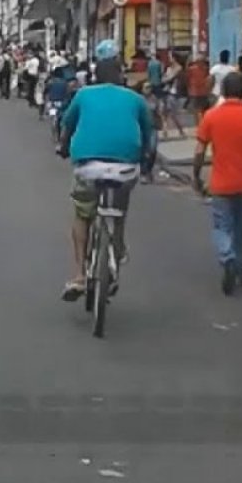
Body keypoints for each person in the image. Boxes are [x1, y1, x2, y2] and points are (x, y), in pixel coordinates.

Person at [58, 51, 155, 301]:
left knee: (82, 214)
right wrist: (146, 161)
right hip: (125, 168)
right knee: (119, 209)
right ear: (121, 76)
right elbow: (149, 134)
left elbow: (67, 125)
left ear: (94, 77)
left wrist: (63, 147)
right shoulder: (135, 99)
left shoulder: (84, 95)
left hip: (88, 166)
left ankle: (79, 275)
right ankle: (118, 246)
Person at [193, 71, 242, 295]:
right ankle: (239, 266)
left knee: (221, 227)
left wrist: (197, 175)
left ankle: (227, 256)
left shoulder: (210, 116)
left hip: (221, 184)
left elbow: (199, 151)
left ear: (224, 92)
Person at [186, 54, 212, 119]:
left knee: (203, 110)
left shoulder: (206, 69)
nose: (201, 63)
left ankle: (202, 124)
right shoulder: (191, 69)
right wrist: (189, 89)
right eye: (200, 61)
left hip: (203, 92)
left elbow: (208, 78)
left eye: (202, 61)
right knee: (196, 110)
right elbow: (187, 79)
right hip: (195, 92)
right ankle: (198, 125)